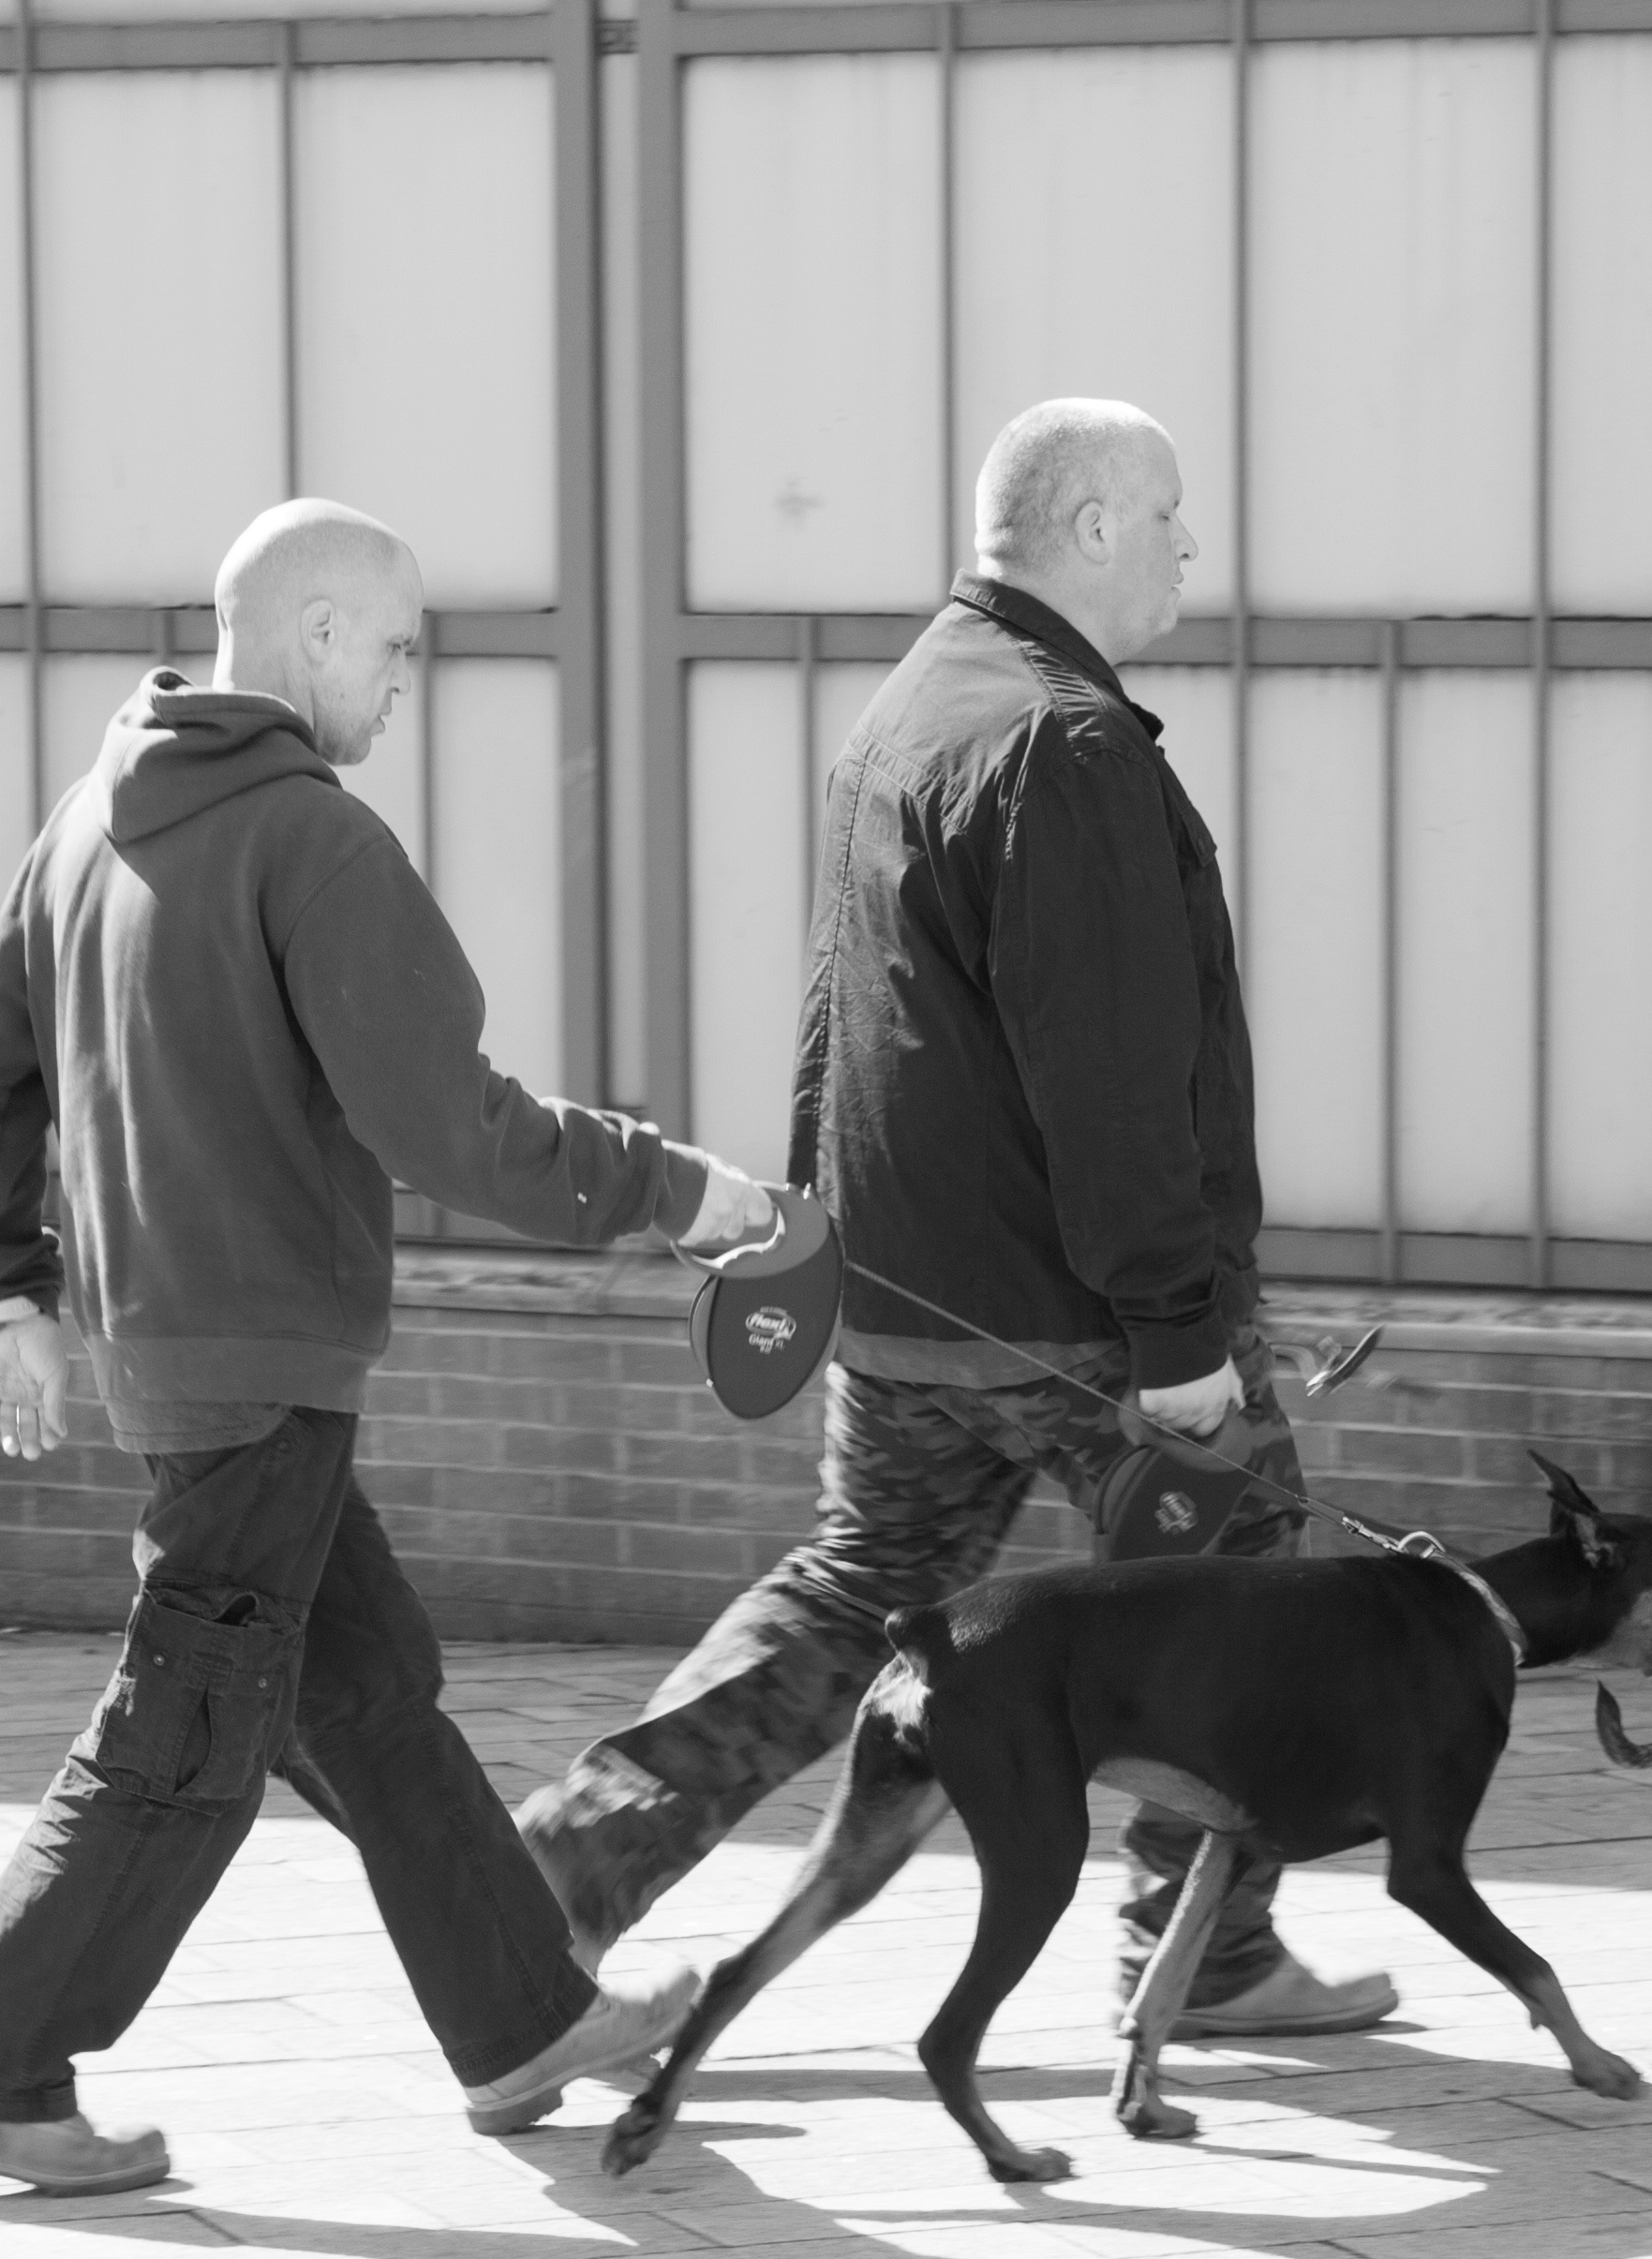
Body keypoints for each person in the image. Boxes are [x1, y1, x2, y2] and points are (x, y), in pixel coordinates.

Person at [0, 499, 775, 2195]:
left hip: (177, 1355)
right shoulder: (314, 840)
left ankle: (522, 2017)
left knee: (364, 1691)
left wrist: (10, 1293)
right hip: (263, 1365)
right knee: (184, 1722)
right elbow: (451, 1123)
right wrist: (684, 1190)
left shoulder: (86, 823)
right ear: (309, 635)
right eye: (395, 646)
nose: (406, 680)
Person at [514, 401, 1396, 2037]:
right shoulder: (1063, 742)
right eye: (1171, 518)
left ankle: (558, 1878)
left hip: (903, 1293)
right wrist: (1182, 1338)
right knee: (1251, 1587)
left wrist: (816, 1236)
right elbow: (1113, 1076)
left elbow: (842, 1018)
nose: (1192, 551)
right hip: (1068, 1313)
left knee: (853, 1596)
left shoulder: (915, 703)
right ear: (1088, 530)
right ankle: (1201, 1948)